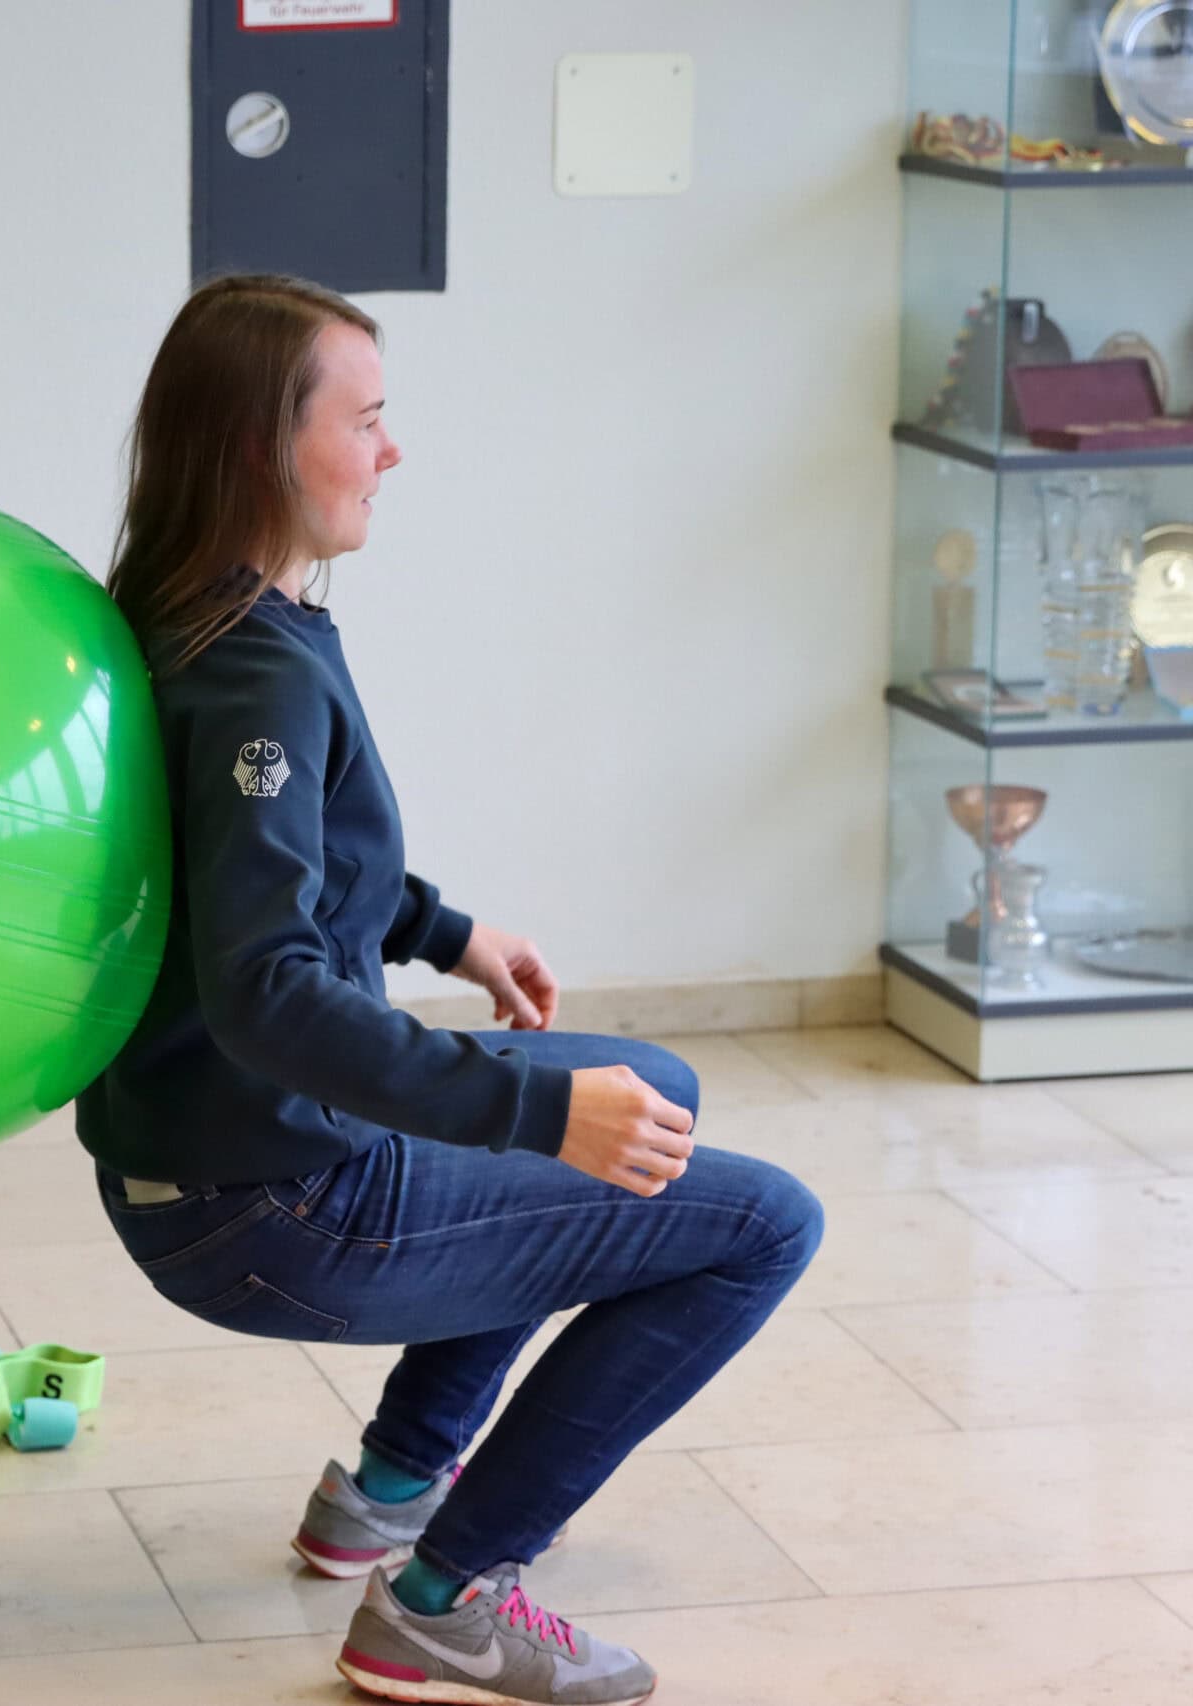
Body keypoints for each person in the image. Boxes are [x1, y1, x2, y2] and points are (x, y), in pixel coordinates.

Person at [76, 276, 824, 1706]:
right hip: (272, 1206)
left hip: (196, 1159)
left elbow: (263, 871)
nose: (391, 450)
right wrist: (536, 1109)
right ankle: (445, 1596)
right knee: (762, 1226)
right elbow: (269, 991)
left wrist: (447, 931)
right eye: (365, 421)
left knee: (654, 1096)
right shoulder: (254, 679)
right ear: (259, 448)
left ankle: (394, 1487)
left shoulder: (199, 616)